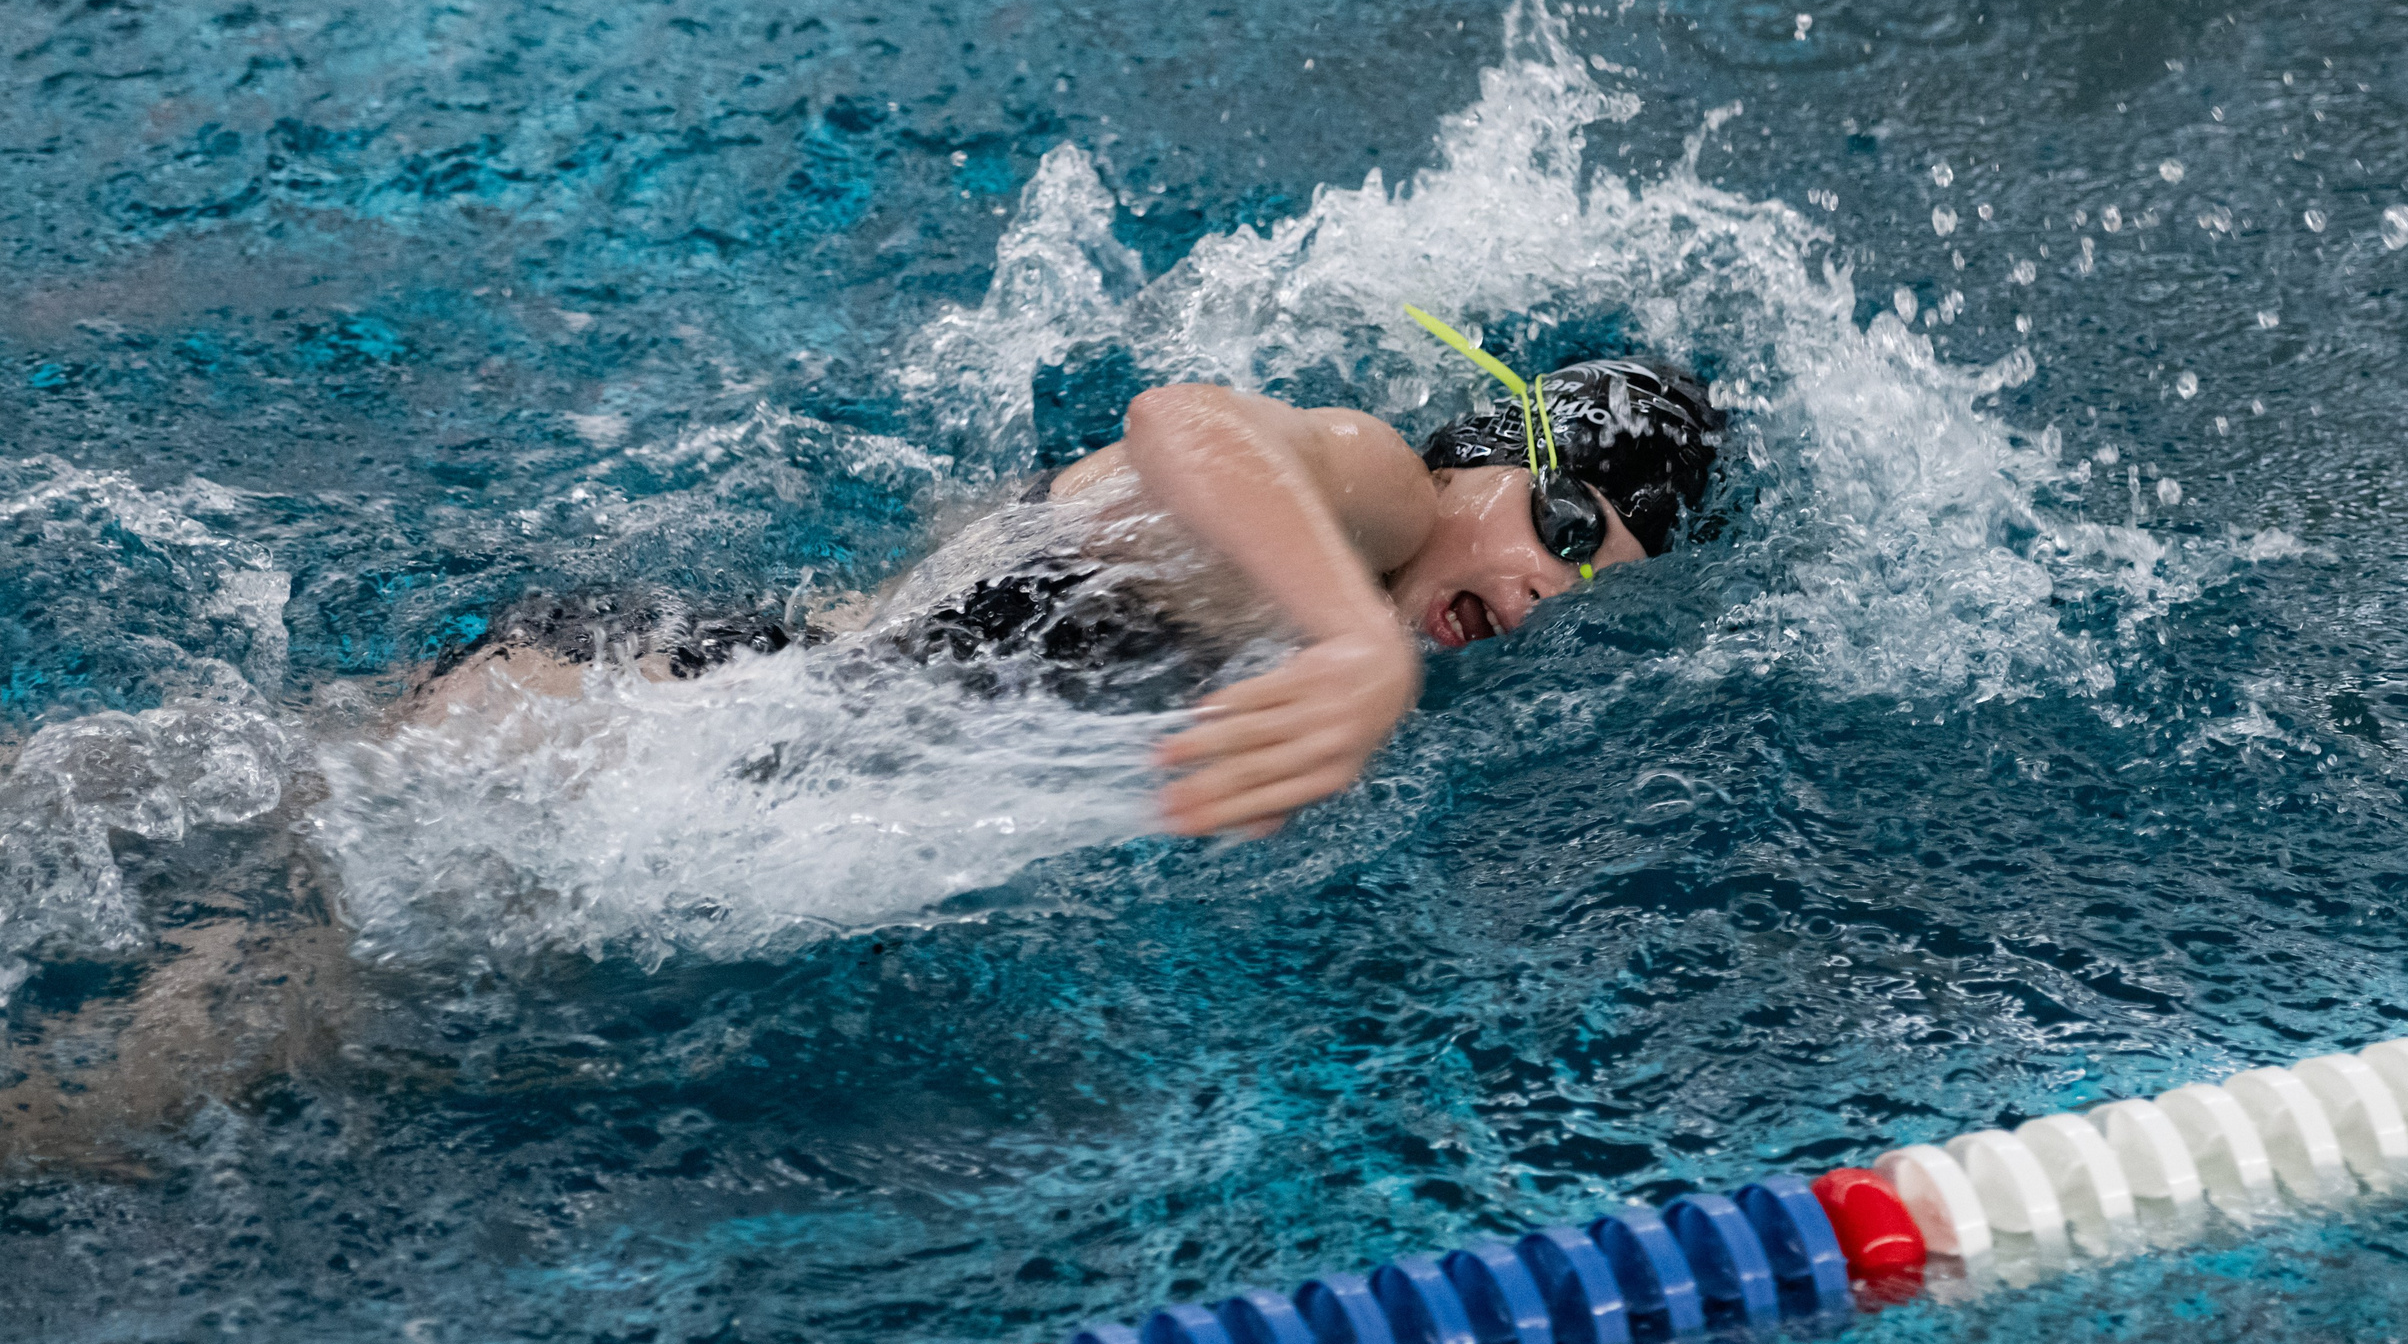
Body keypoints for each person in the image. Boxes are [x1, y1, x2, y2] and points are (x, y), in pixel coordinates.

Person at [418, 317, 1726, 840]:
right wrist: (1360, 647)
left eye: (1589, 581)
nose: (1553, 583)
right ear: (1490, 456)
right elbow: (1185, 422)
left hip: (689, 710)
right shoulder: (1378, 486)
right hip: (643, 716)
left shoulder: (1302, 592)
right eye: (1562, 521)